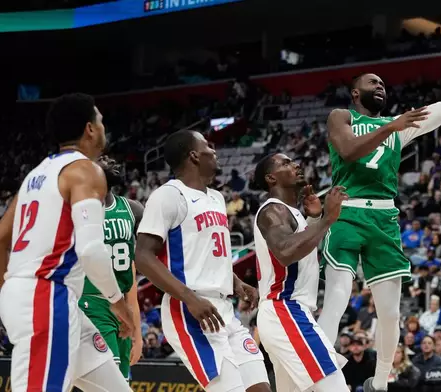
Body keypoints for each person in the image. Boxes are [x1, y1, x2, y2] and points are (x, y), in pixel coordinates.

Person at [318, 45, 441, 392]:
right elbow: (348, 151)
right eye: (374, 82)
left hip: (384, 219)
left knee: (390, 315)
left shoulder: (398, 126)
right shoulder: (342, 117)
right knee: (338, 295)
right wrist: (392, 128)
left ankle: (383, 378)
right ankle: (318, 371)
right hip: (345, 211)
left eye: (384, 84)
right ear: (356, 92)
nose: (382, 86)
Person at [0, 93, 134, 391]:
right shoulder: (86, 170)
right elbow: (91, 250)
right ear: (90, 129)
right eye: (101, 121)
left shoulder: (36, 175)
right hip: (46, 294)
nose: (104, 127)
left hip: (43, 296)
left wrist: (12, 290)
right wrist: (117, 302)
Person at [134, 130, 270, 392]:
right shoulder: (168, 195)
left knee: (261, 388)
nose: (214, 149)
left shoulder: (217, 198)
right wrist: (190, 298)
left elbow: (207, 255)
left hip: (224, 309)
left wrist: (237, 282)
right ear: (194, 155)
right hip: (189, 310)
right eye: (207, 145)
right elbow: (143, 256)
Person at [252, 152, 349, 392]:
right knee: (335, 386)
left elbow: (299, 245)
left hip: (284, 312)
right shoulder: (272, 211)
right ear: (271, 178)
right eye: (285, 163)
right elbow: (285, 253)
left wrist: (315, 218)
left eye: (293, 161)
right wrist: (327, 219)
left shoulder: (290, 212)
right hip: (285, 308)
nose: (295, 164)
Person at [78, 155, 144, 381]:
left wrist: (137, 330)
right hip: (92, 300)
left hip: (122, 305)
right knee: (109, 381)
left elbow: (132, 274)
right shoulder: (79, 212)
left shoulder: (133, 209)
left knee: (121, 382)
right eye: (99, 158)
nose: (107, 157)